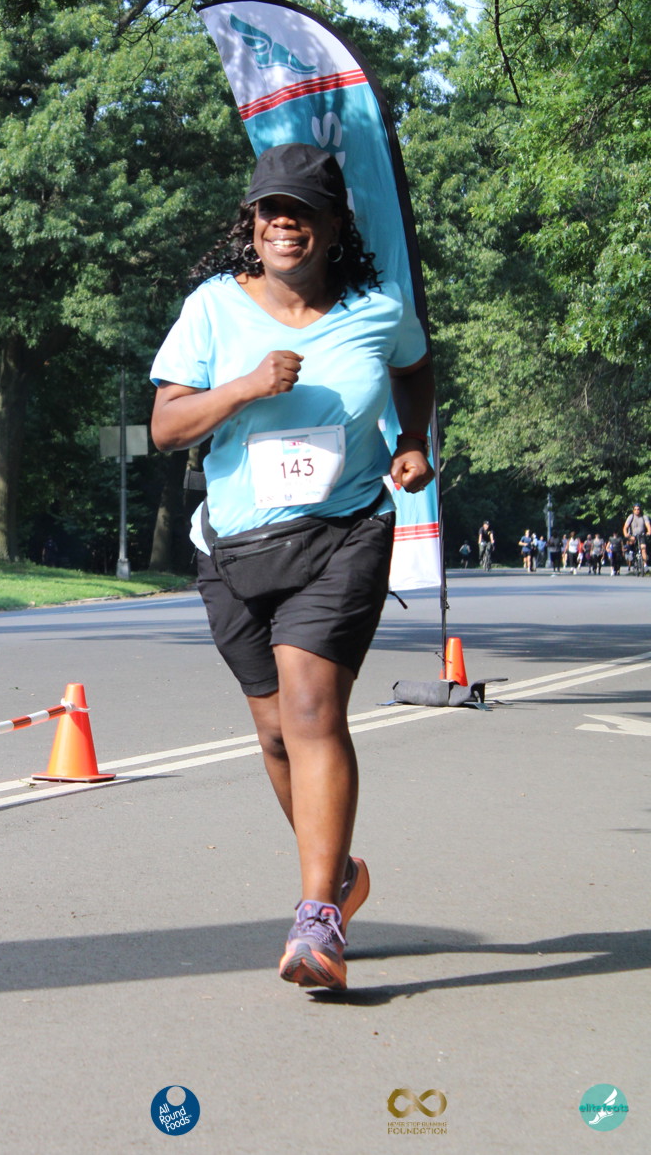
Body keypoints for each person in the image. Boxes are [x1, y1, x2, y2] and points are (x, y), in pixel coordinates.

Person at [150, 143, 434, 992]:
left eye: (303, 211)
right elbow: (167, 428)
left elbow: (416, 366)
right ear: (252, 223)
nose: (285, 223)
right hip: (234, 547)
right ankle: (339, 875)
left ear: (335, 226)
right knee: (275, 732)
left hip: (345, 532)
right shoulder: (212, 309)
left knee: (311, 710)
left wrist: (411, 440)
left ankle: (317, 922)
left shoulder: (377, 310)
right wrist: (242, 387)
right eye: (272, 209)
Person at [623, 504, 650, 570]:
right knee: (631, 546)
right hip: (632, 535)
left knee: (643, 548)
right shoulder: (631, 517)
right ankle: (631, 555)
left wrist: (649, 532)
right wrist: (626, 534)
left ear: (640, 510)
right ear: (633, 510)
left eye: (638, 509)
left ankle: (645, 565)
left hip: (641, 535)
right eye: (635, 509)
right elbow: (625, 527)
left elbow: (648, 526)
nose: (637, 511)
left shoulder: (644, 517)